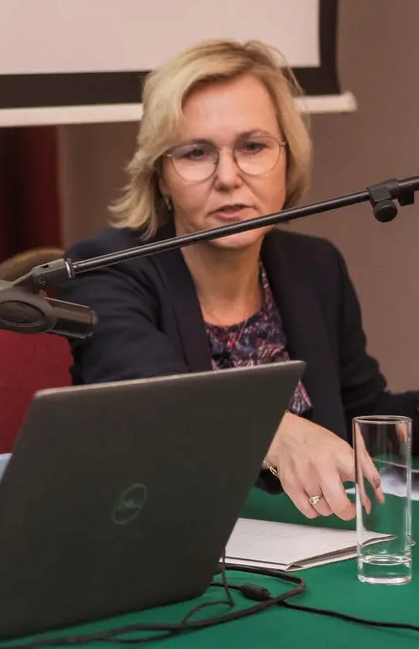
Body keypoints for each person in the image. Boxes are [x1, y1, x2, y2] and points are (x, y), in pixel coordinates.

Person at [59, 39, 418, 523]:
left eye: (253, 146)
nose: (228, 177)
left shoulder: (316, 267)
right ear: (161, 176)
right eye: (196, 153)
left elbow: (363, 412)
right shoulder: (104, 269)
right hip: (161, 537)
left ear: (287, 158)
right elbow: (155, 402)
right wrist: (274, 430)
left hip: (306, 544)